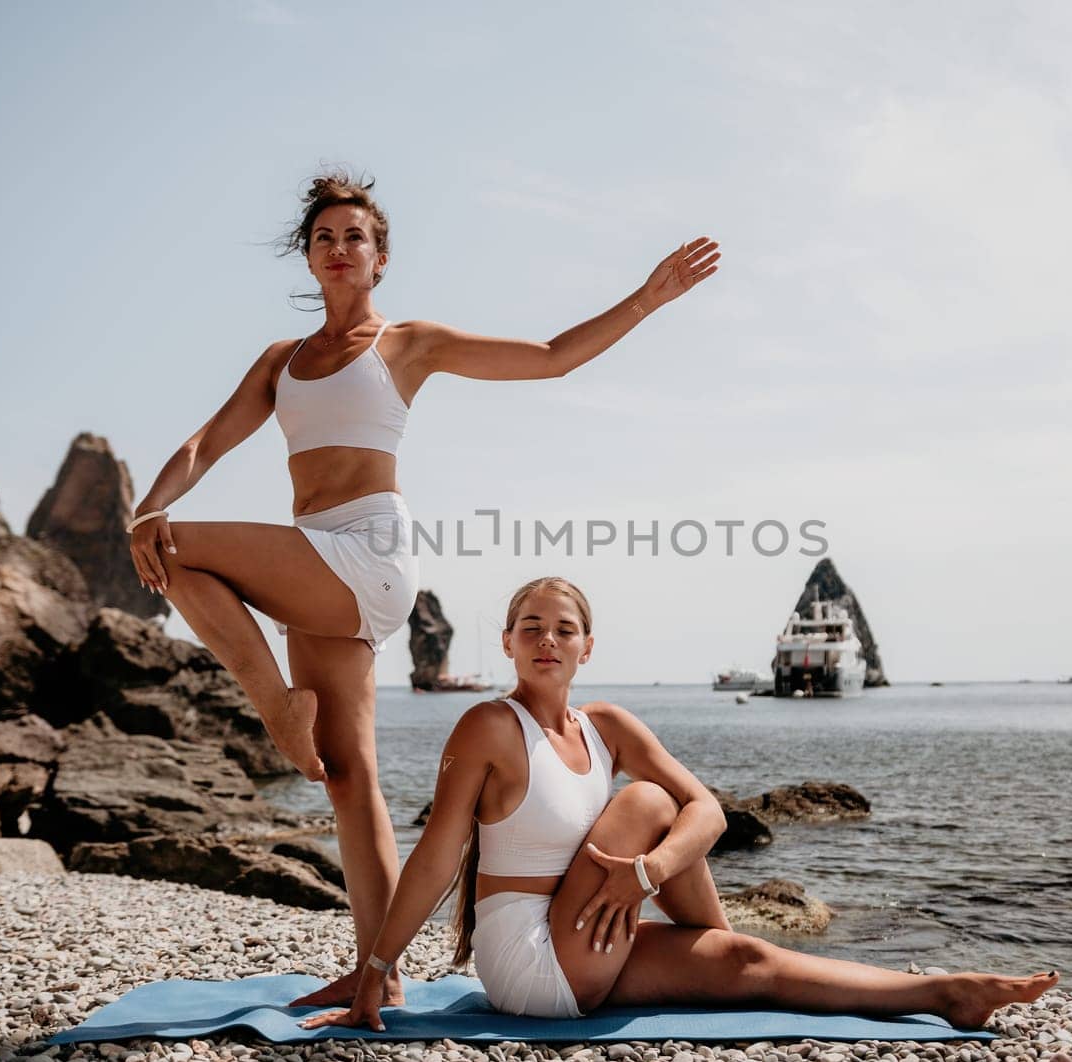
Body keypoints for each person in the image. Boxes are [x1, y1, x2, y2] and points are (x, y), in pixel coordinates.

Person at [125, 171, 720, 1010]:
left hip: (366, 550)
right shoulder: (280, 362)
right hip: (313, 564)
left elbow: (551, 359)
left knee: (175, 543)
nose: (339, 249)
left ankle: (272, 703)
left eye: (355, 237)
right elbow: (204, 441)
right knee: (348, 775)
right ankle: (380, 968)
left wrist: (646, 298)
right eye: (324, 237)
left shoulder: (407, 343)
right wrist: (150, 499)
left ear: (380, 258)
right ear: (308, 257)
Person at [300, 577, 1061, 1032]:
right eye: (531, 627)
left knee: (747, 956)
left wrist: (649, 873)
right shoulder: (490, 726)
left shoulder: (608, 726)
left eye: (564, 629)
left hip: (592, 926)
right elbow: (437, 853)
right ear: (505, 641)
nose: (547, 640)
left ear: (587, 647)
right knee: (648, 800)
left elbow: (714, 813)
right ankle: (706, 941)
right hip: (528, 954)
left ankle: (944, 991)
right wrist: (376, 967)